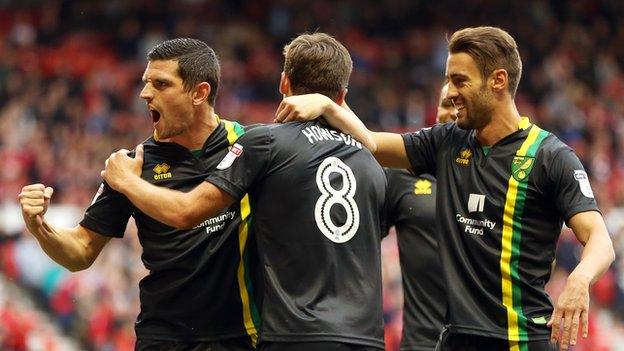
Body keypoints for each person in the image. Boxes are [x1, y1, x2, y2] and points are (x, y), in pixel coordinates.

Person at [274, 26, 615, 351]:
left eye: (459, 81)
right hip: (454, 339)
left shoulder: (550, 156)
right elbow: (374, 145)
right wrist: (327, 104)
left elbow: (599, 239)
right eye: (448, 80)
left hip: (520, 339)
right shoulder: (448, 142)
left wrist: (580, 279)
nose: (449, 93)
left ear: (498, 80)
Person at [100, 32, 387, 351]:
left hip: (292, 333)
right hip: (366, 337)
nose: (145, 94)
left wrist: (126, 181)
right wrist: (329, 108)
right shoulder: (369, 162)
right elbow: (373, 144)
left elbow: (186, 212)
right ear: (343, 95)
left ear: (283, 83)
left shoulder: (265, 142)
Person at [18, 38, 260, 351]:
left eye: (161, 84)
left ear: (200, 92)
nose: (145, 94)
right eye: (146, 83)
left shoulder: (252, 147)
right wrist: (39, 226)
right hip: (164, 340)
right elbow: (79, 252)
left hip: (243, 337)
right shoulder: (133, 164)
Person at [384, 84, 456, 351]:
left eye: (461, 104)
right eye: (447, 103)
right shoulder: (403, 174)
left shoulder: (500, 176)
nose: (453, 112)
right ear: (436, 113)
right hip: (422, 342)